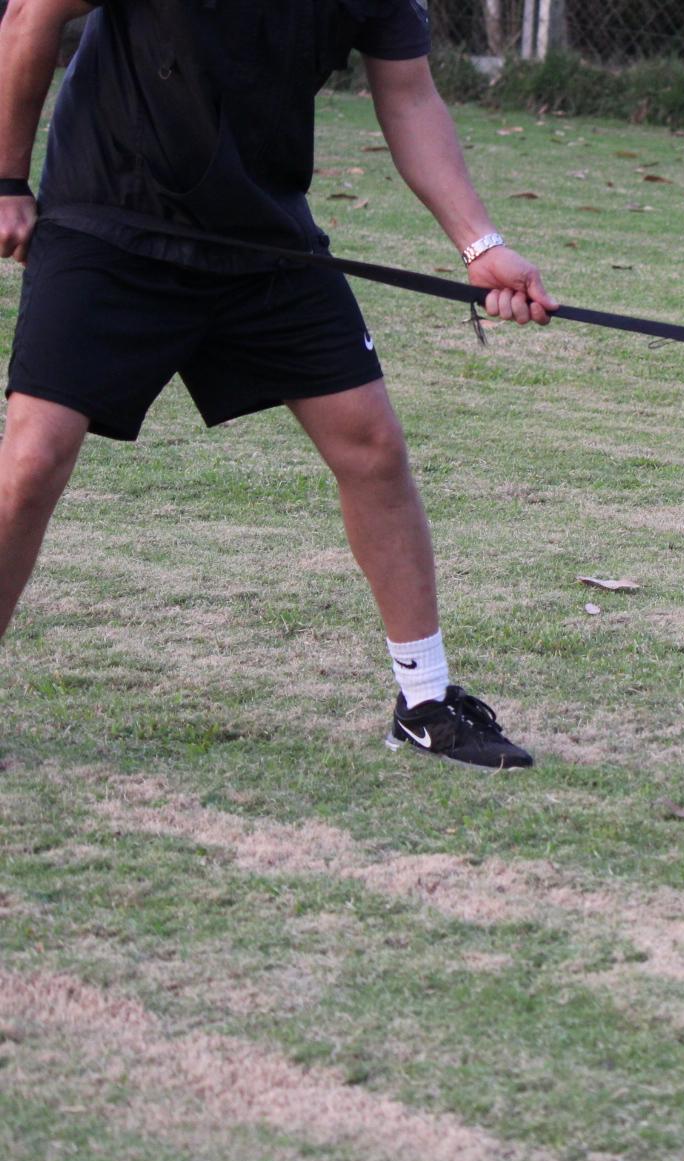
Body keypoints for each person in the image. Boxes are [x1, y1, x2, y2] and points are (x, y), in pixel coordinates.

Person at [0, 0, 558, 770]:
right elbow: (29, 16)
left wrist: (481, 243)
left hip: (261, 236)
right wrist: (5, 181)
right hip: (110, 220)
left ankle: (425, 702)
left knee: (371, 445)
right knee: (32, 460)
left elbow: (408, 94)